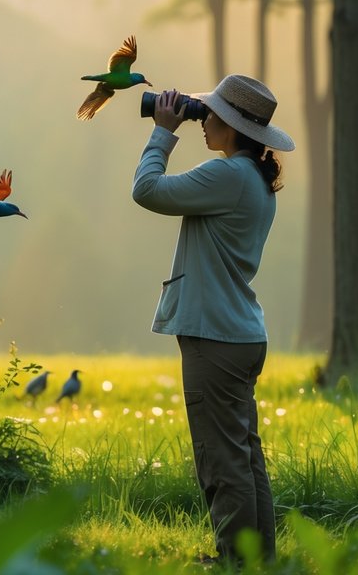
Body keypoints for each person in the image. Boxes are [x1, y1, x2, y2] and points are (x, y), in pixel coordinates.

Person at [131, 74, 295, 566]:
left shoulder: (228, 176)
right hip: (239, 334)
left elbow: (147, 190)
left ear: (231, 125)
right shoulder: (253, 179)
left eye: (211, 114)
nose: (203, 120)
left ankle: (236, 562)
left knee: (222, 461)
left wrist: (163, 130)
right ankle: (257, 558)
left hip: (215, 338)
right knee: (244, 457)